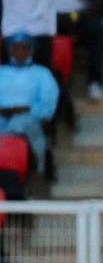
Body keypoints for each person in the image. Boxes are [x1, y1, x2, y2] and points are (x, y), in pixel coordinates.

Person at [0, 35, 60, 177]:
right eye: (16, 48)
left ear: (31, 51)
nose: (20, 52)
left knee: (21, 123)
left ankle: (38, 168)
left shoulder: (42, 73)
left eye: (24, 48)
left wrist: (24, 109)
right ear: (9, 51)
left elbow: (48, 104)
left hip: (29, 116)